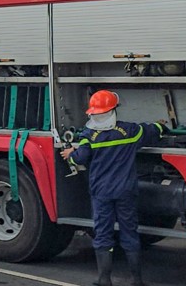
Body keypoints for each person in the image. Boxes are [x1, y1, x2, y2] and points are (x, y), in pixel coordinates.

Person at [61, 91, 167, 286]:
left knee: (103, 233)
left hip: (102, 192)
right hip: (126, 191)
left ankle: (104, 279)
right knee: (130, 232)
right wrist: (162, 125)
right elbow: (153, 131)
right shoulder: (130, 131)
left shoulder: (88, 136)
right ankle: (137, 280)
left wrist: (70, 154)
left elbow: (80, 158)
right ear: (114, 109)